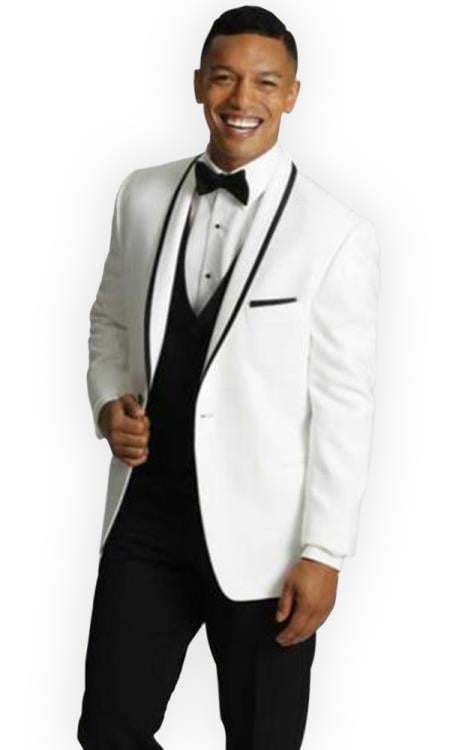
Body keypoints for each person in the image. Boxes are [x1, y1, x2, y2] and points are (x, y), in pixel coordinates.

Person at [77, 5, 380, 749]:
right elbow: (109, 318)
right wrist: (109, 401)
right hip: (146, 517)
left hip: (267, 543)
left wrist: (324, 552)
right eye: (224, 78)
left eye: (265, 83)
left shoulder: (335, 233)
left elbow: (344, 403)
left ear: (291, 94)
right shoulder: (141, 194)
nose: (242, 99)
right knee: (109, 728)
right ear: (198, 84)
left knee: (262, 740)